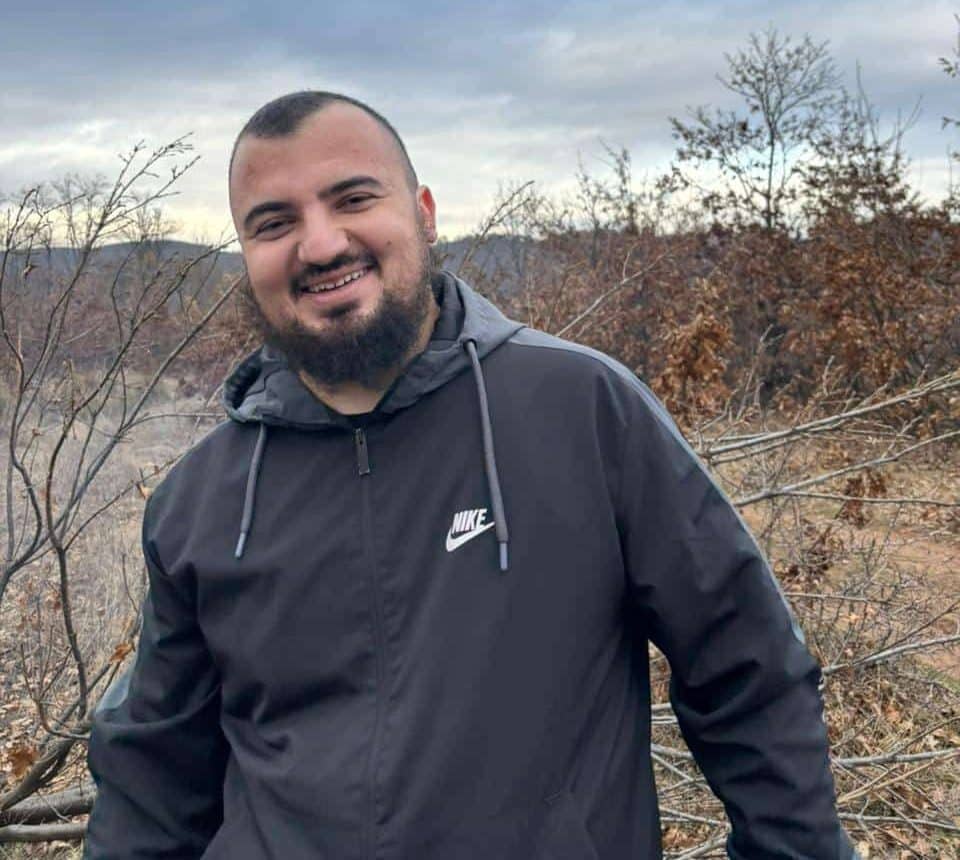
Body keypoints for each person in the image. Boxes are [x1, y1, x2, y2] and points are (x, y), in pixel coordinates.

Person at [85, 91, 858, 859]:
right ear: (245, 254)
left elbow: (746, 666)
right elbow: (152, 773)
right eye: (274, 222)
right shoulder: (200, 500)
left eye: (353, 198)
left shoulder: (583, 410)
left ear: (423, 212)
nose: (319, 246)